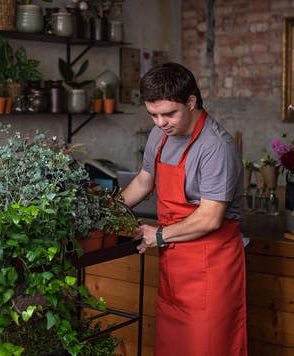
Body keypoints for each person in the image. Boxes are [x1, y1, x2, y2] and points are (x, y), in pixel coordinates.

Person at [120, 62, 247, 356]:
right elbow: (143, 181)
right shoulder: (160, 135)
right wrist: (107, 209)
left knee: (208, 347)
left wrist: (160, 236)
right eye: (153, 115)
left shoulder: (215, 146)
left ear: (191, 102)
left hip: (211, 264)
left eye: (169, 114)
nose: (161, 122)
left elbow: (210, 218)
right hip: (175, 264)